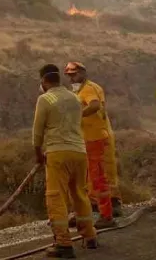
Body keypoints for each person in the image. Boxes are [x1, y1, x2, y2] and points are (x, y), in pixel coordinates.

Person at [32, 63, 97, 258]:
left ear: (44, 81)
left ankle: (63, 243)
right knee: (80, 194)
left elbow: (37, 131)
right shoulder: (75, 98)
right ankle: (90, 236)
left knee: (56, 197)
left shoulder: (45, 99)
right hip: (79, 152)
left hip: (57, 153)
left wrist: (38, 154)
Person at [64, 61, 117, 228]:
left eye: (74, 75)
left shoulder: (89, 88)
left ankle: (106, 216)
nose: (72, 78)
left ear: (83, 73)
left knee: (97, 178)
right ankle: (84, 213)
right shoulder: (81, 90)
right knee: (85, 179)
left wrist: (77, 116)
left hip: (95, 139)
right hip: (86, 140)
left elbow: (94, 105)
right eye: (69, 76)